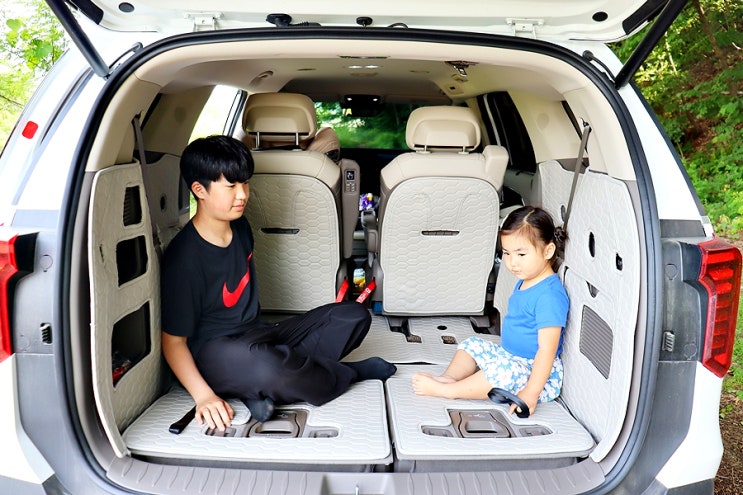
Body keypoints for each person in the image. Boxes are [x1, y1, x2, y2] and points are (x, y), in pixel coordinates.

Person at [161, 135, 396, 431]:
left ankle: (257, 388)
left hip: (260, 335)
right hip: (215, 352)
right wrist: (204, 396)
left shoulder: (240, 226)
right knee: (265, 364)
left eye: (245, 183)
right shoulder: (184, 257)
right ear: (199, 190)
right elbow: (173, 342)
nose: (242, 195)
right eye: (231, 186)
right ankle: (346, 373)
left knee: (353, 315)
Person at [411, 206, 569, 416]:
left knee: (501, 372)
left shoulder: (550, 296)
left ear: (548, 251)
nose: (512, 262)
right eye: (506, 253)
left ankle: (449, 391)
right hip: (509, 355)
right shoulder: (527, 279)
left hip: (535, 372)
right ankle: (449, 378)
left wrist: (531, 392)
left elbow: (547, 350)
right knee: (472, 345)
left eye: (521, 254)